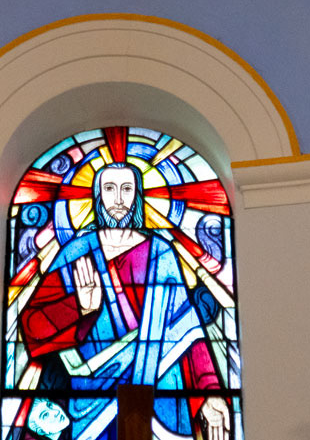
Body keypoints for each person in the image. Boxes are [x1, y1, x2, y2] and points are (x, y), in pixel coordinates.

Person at [17, 164, 232, 440]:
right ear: (97, 195)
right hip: (85, 401)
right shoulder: (75, 253)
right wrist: (78, 308)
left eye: (127, 189)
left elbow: (187, 332)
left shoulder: (162, 254)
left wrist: (211, 392)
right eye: (109, 189)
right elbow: (31, 328)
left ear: (137, 195)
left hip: (158, 392)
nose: (118, 199)